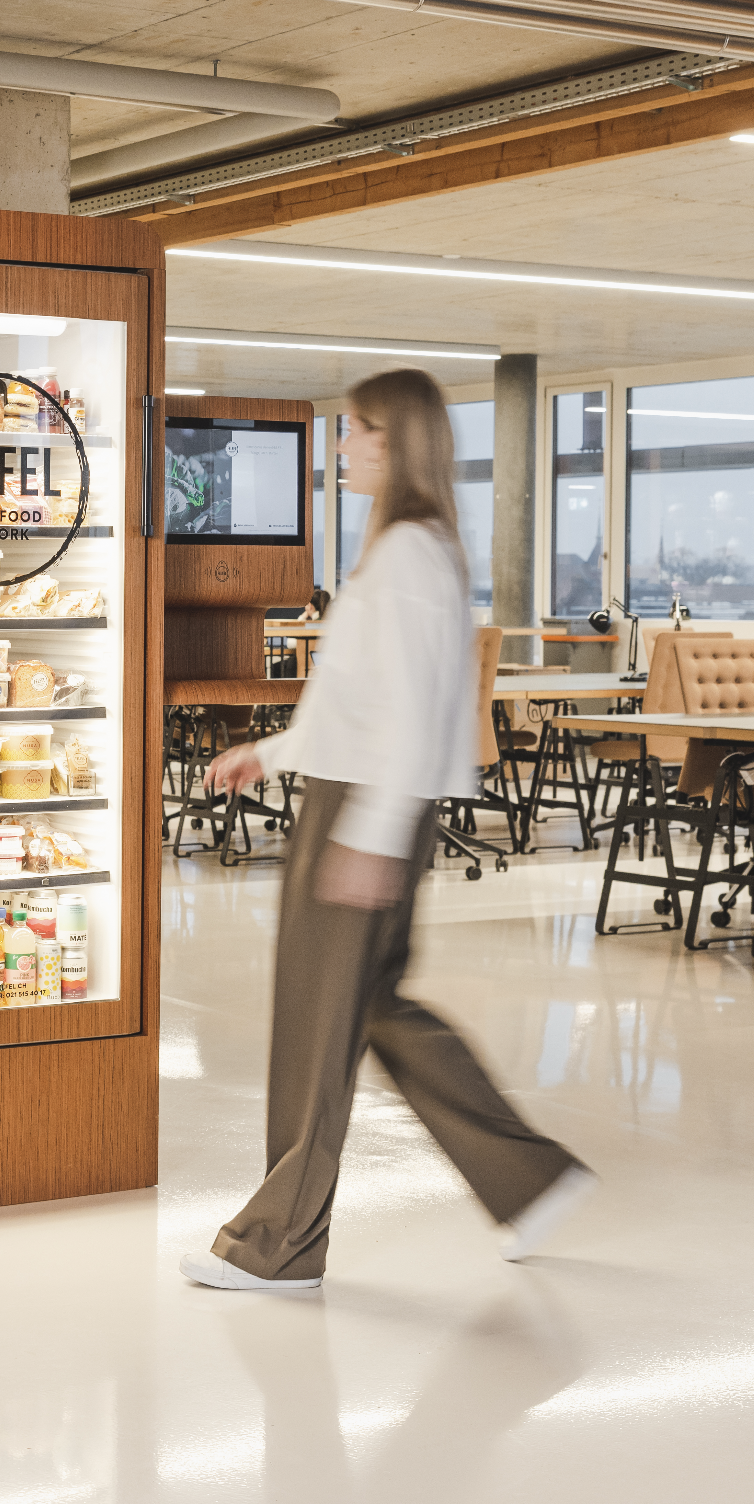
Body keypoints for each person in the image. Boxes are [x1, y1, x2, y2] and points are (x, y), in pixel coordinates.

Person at [180, 369, 595, 1292]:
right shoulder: (417, 546)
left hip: (366, 805)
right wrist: (274, 752)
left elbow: (409, 715)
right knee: (373, 1009)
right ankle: (528, 1177)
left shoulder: (408, 551)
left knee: (314, 1024)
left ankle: (280, 1245)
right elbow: (365, 702)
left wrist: (367, 832)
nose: (341, 447)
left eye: (356, 431)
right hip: (361, 794)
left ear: (395, 441)